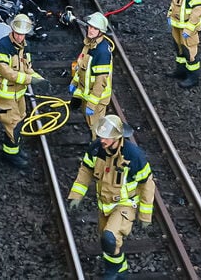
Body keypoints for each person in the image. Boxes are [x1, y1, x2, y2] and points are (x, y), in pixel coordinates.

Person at [68, 115, 155, 280]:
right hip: (104, 205)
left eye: (106, 137)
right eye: (101, 136)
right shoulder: (96, 149)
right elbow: (85, 170)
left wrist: (145, 216)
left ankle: (112, 270)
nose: (102, 140)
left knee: (110, 237)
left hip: (125, 205)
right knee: (107, 242)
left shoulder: (133, 155)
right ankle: (120, 270)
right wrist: (77, 195)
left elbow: (147, 186)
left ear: (117, 138)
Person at [0, 13, 45, 169]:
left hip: (18, 94)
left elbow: (27, 69)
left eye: (23, 34)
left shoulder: (24, 46)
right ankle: (10, 156)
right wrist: (30, 80)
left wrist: (40, 79)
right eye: (18, 34)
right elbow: (7, 72)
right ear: (12, 29)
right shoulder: (2, 46)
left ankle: (12, 150)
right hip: (5, 95)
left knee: (19, 119)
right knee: (12, 124)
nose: (21, 37)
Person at [68, 12, 113, 139]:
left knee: (97, 129)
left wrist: (92, 105)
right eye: (89, 27)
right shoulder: (89, 44)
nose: (90, 30)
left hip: (96, 100)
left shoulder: (102, 52)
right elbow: (81, 68)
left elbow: (100, 82)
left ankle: (96, 153)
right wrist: (74, 83)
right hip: (86, 95)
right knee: (90, 124)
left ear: (101, 32)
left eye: (94, 28)